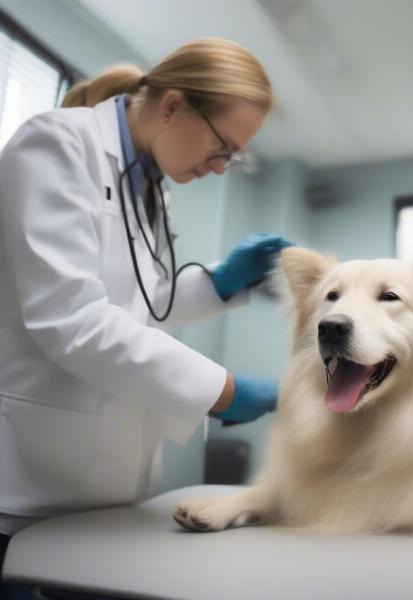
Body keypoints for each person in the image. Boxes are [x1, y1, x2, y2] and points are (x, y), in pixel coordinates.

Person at [0, 37, 291, 595]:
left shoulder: (153, 189)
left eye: (234, 156)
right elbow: (73, 319)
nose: (221, 167)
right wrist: (222, 389)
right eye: (223, 146)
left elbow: (142, 305)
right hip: (30, 477)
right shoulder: (58, 145)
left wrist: (220, 280)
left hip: (106, 484)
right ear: (173, 105)